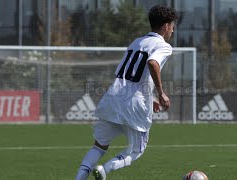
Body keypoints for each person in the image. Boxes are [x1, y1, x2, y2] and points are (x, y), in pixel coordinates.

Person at [75, 5, 178, 180]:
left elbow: (131, 75)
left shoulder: (136, 42)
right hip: (135, 103)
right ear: (166, 26)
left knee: (99, 146)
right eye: (173, 26)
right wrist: (161, 93)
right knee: (137, 150)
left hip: (114, 97)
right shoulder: (164, 46)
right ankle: (105, 169)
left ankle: (79, 178)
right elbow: (152, 63)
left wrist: (151, 95)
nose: (173, 31)